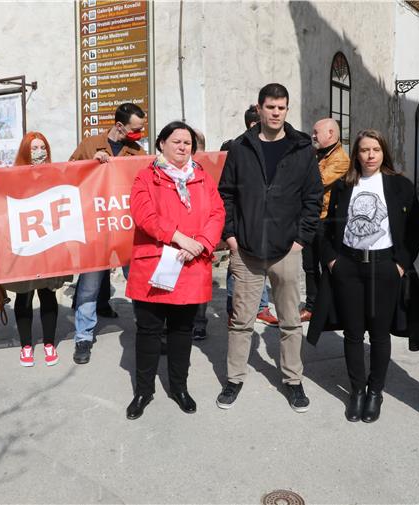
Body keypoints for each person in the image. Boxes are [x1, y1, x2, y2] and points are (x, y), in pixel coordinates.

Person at [217, 83, 323, 412]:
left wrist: (299, 240)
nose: (276, 113)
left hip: (286, 251)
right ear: (259, 109)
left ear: (286, 110)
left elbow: (312, 198)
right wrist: (231, 237)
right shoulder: (240, 147)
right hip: (246, 251)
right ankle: (234, 378)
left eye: (282, 108)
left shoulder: (301, 147)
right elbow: (226, 195)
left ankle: (292, 379)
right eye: (271, 107)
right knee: (240, 321)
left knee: (290, 320)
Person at [314, 129, 419, 423]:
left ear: (383, 152)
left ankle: (375, 391)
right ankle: (357, 392)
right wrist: (331, 261)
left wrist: (401, 264)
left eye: (375, 149)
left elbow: (416, 229)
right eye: (364, 150)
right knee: (352, 333)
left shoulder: (399, 185)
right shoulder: (343, 186)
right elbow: (325, 229)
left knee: (378, 335)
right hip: (348, 268)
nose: (370, 155)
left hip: (385, 268)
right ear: (357, 154)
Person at [124, 121, 225, 419]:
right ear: (162, 144)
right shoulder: (146, 177)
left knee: (182, 330)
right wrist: (180, 238)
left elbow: (217, 213)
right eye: (177, 141)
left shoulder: (203, 179)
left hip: (191, 264)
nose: (183, 147)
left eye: (188, 143)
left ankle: (179, 387)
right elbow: (144, 216)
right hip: (155, 263)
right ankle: (144, 390)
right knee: (149, 330)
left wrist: (203, 243)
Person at [68, 103, 147, 364]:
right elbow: (68, 175)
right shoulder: (90, 145)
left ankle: (147, 332)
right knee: (89, 287)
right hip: (97, 228)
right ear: (120, 126)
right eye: (136, 129)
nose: (140, 133)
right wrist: (91, 165)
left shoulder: (137, 152)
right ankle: (83, 337)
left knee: (136, 282)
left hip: (126, 229)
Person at [3, 132, 71, 367]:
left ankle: (49, 343)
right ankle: (26, 345)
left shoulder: (56, 174)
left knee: (48, 293)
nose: (39, 152)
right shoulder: (11, 176)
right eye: (33, 148)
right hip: (25, 244)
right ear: (25, 151)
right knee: (24, 295)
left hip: (50, 243)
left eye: (42, 147)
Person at [220, 104, 277, 328]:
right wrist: (230, 232)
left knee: (260, 265)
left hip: (265, 220)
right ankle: (234, 309)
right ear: (254, 123)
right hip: (242, 223)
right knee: (237, 268)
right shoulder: (235, 148)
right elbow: (227, 191)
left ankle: (261, 307)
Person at [300, 118, 349, 323]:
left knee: (327, 265)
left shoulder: (341, 159)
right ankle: (312, 306)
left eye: (316, 132)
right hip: (310, 217)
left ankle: (331, 306)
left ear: (330, 133)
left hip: (326, 220)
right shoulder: (316, 155)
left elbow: (316, 182)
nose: (313, 136)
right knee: (309, 266)